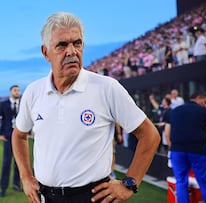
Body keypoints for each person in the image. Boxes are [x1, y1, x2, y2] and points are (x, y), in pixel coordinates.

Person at [12, 12, 161, 203]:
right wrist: (25, 177)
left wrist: (130, 183)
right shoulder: (34, 92)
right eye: (62, 45)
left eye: (77, 43)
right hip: (46, 197)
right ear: (45, 52)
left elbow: (150, 134)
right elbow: (19, 135)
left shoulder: (107, 88)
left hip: (92, 197)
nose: (72, 51)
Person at [165, 91, 206, 203]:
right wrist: (203, 145)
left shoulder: (174, 111)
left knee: (181, 182)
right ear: (198, 98)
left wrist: (172, 147)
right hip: (198, 150)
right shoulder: (205, 112)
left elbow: (167, 133)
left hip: (177, 151)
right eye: (205, 101)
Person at [0, 85, 23, 197]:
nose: (17, 92)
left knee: (19, 163)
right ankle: (3, 188)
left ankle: (16, 184)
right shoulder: (3, 104)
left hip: (20, 138)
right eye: (15, 90)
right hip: (8, 137)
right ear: (10, 92)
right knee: (6, 163)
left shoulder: (24, 103)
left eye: (18, 90)